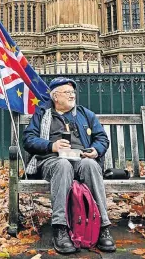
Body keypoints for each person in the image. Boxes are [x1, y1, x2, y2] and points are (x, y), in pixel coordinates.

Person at [22, 77, 116, 254]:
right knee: (63, 165)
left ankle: (103, 227)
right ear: (55, 97)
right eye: (67, 92)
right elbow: (28, 139)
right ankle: (60, 228)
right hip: (52, 159)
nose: (72, 95)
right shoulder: (42, 113)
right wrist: (51, 146)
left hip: (81, 158)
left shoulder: (85, 114)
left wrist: (95, 150)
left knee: (90, 165)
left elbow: (102, 138)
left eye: (73, 92)